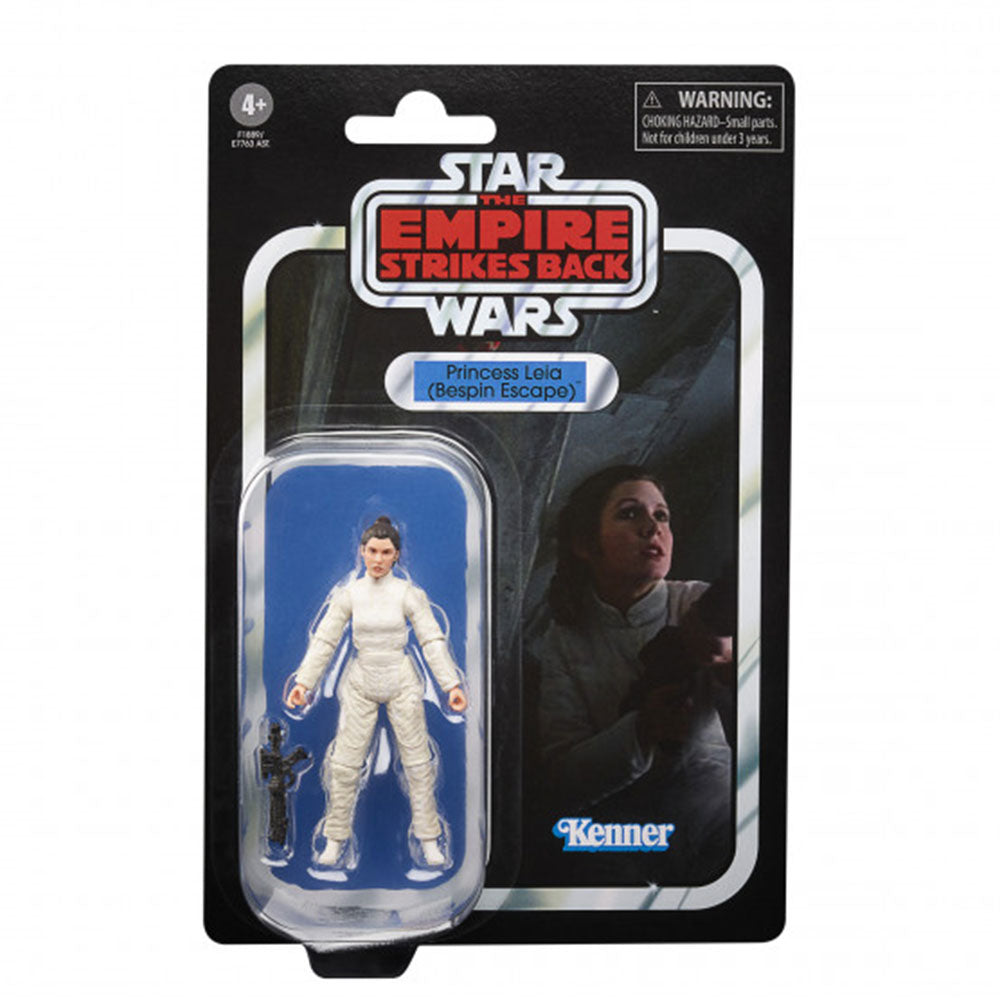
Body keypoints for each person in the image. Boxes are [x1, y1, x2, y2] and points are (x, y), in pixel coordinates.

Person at [535, 466, 733, 883]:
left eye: (662, 516)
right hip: (622, 846)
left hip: (721, 822)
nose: (652, 528)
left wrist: (733, 663)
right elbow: (561, 779)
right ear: (585, 544)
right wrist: (643, 729)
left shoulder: (697, 603)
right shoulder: (562, 642)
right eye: (629, 514)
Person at [285, 516, 467, 869]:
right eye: (372, 551)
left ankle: (429, 839)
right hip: (360, 681)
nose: (378, 559)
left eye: (385, 552)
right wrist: (304, 683)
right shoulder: (349, 595)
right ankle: (335, 840)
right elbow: (325, 640)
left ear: (397, 555)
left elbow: (431, 640)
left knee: (418, 764)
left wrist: (450, 685)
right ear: (362, 551)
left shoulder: (408, 594)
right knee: (344, 765)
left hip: (401, 680)